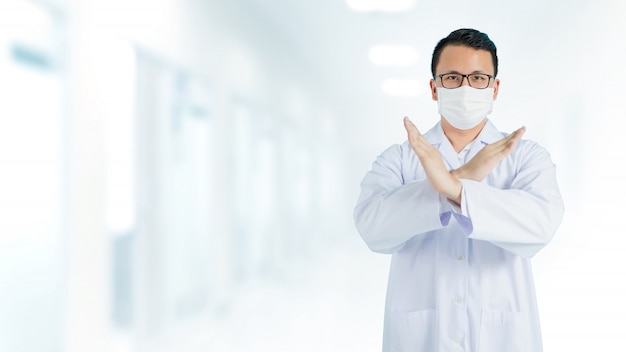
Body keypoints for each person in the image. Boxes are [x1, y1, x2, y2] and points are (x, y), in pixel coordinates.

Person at [353, 28, 564, 352]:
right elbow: (372, 227)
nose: (466, 87)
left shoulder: (526, 155)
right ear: (434, 88)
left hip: (503, 336)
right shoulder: (399, 158)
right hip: (420, 338)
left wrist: (453, 186)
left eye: (478, 78)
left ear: (494, 88)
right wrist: (459, 183)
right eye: (452, 77)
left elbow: (540, 225)